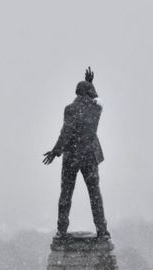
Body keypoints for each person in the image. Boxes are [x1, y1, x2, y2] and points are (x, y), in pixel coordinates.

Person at [43, 67, 110, 239]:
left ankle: (62, 229)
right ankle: (102, 230)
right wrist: (90, 84)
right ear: (89, 92)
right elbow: (97, 98)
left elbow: (67, 132)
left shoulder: (71, 109)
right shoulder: (96, 109)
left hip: (72, 155)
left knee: (66, 193)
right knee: (95, 195)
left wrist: (56, 151)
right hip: (90, 155)